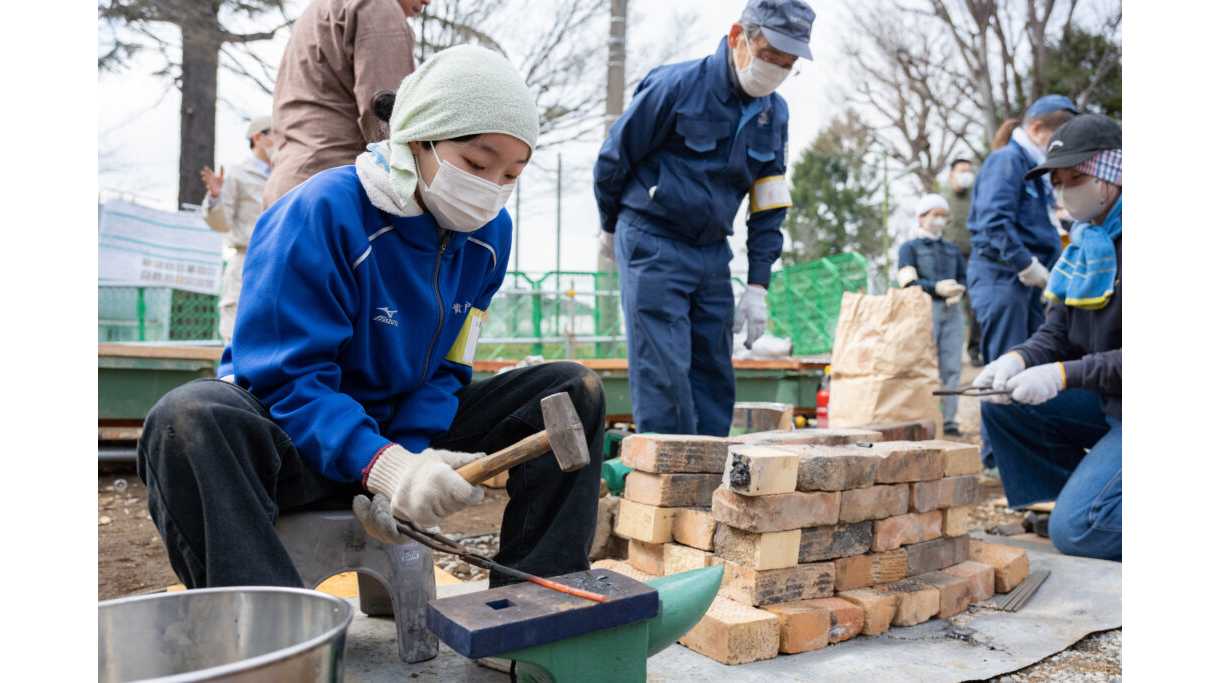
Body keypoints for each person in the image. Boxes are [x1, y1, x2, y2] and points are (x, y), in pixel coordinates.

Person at [138, 45, 605, 590]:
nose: (491, 188)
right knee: (188, 418)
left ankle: (533, 609)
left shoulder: (489, 237)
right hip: (298, 446)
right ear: (415, 139)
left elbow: (451, 365)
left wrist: (413, 454)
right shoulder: (320, 212)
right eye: (477, 163)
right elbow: (285, 382)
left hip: (400, 434)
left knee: (572, 390)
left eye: (511, 174)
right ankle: (268, 638)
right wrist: (385, 467)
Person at [593, 0, 814, 436]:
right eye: (770, 55)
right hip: (652, 235)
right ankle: (669, 487)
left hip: (711, 249)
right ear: (739, 38)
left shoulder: (775, 115)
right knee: (665, 371)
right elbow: (614, 158)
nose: (775, 69)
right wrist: (609, 225)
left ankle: (710, 478)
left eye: (787, 65)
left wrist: (757, 284)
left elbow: (768, 202)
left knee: (713, 370)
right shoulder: (675, 87)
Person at [973, 113, 1121, 561]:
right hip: (1110, 398)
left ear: (1113, 172)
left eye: (1077, 177)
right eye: (1059, 181)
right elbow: (1056, 332)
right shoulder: (1085, 247)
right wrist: (1017, 360)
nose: (1066, 192)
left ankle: (1091, 511)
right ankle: (1088, 492)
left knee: (1078, 532)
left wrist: (1062, 375)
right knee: (1005, 407)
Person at [966, 94, 1076, 467]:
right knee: (1004, 365)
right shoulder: (1007, 161)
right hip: (1003, 277)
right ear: (1037, 128)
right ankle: (996, 459)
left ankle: (1018, 457)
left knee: (1027, 368)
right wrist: (1025, 263)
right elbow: (993, 222)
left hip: (1032, 282)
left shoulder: (1036, 170)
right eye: (1056, 137)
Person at [263, 0, 428, 206]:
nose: (428, 2)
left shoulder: (319, 9)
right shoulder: (379, 7)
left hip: (290, 185)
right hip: (334, 193)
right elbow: (388, 119)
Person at [198, 115, 277, 343]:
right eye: (273, 133)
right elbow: (221, 223)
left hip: (282, 261)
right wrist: (215, 196)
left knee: (275, 328)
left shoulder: (287, 172)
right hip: (247, 260)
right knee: (237, 330)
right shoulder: (237, 173)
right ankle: (233, 378)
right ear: (257, 137)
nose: (280, 140)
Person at [898, 194, 967, 436]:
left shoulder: (952, 249)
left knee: (951, 367)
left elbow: (963, 276)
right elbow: (907, 281)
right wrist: (934, 287)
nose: (939, 220)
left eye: (942, 215)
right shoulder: (909, 248)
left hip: (952, 310)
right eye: (934, 215)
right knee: (922, 364)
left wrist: (959, 290)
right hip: (924, 311)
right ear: (921, 217)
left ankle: (949, 420)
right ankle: (922, 416)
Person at [944, 157, 982, 367]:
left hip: (973, 257)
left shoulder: (976, 197)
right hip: (949, 258)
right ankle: (946, 353)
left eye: (969, 170)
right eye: (962, 170)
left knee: (975, 305)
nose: (967, 174)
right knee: (948, 304)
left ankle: (975, 349)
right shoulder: (943, 200)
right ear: (951, 174)